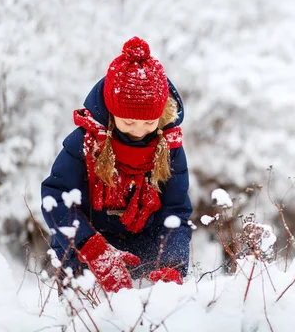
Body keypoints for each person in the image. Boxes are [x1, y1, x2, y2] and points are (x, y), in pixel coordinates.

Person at [41, 36, 193, 293]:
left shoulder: (170, 147)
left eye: (148, 122)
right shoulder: (85, 142)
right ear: (111, 112)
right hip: (88, 246)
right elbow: (56, 198)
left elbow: (176, 210)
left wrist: (172, 264)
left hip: (146, 251)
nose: (138, 131)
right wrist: (93, 249)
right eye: (128, 122)